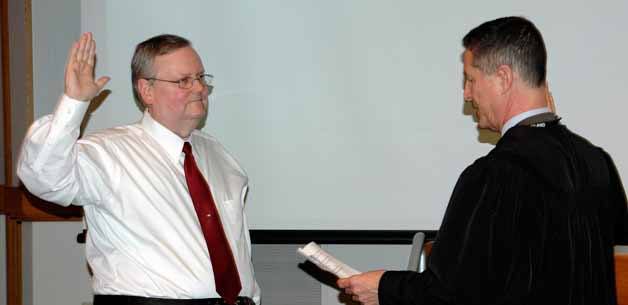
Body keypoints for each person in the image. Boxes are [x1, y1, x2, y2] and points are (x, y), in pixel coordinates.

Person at [338, 16, 628, 305]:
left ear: (503, 78)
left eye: (470, 79)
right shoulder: (596, 162)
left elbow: (449, 295)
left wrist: (383, 288)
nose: (466, 94)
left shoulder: (494, 175)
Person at [17, 32, 260, 305]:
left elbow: (236, 246)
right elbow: (43, 177)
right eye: (184, 81)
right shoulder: (109, 153)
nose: (200, 89)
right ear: (147, 91)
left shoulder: (218, 156)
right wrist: (74, 102)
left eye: (201, 78)